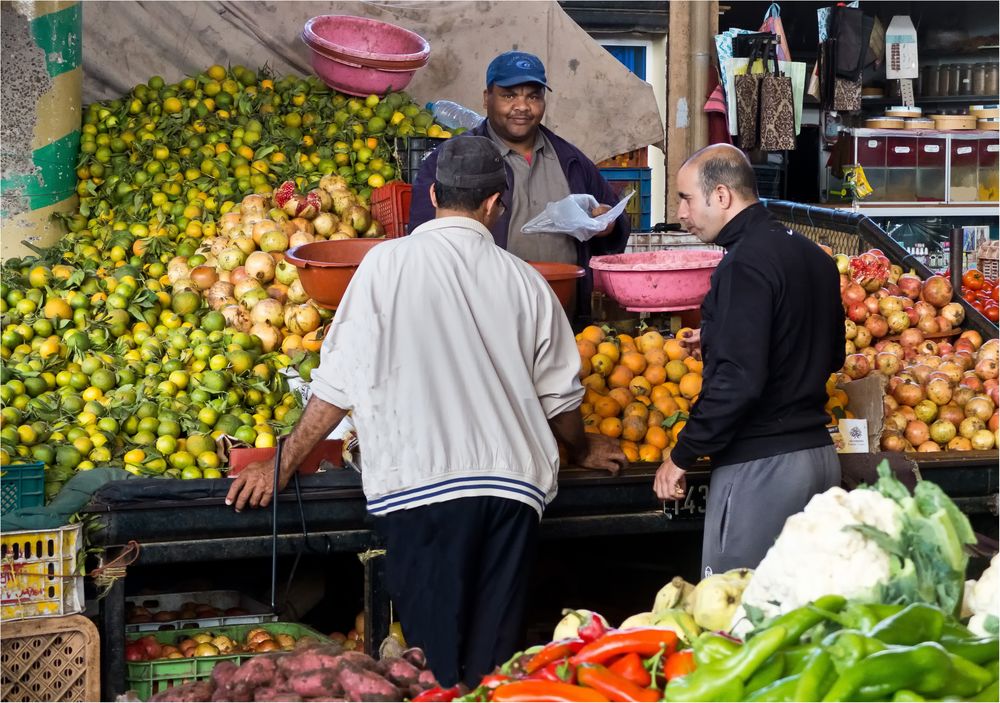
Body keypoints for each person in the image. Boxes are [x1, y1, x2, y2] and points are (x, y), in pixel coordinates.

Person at [227, 136, 626, 688]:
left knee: (433, 669)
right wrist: (583, 449)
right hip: (510, 494)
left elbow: (337, 385)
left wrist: (282, 462)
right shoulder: (528, 283)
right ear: (495, 203)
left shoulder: (382, 267)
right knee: (494, 667)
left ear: (434, 194)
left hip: (422, 492)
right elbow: (560, 399)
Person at [652, 144, 844, 576]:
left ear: (721, 196)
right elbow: (829, 355)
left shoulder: (743, 264)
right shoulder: (815, 257)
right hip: (818, 460)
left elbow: (739, 382)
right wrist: (722, 338)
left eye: (685, 198)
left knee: (740, 615)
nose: (681, 213)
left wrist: (681, 456)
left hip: (762, 470)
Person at [409, 50, 631, 321]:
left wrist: (606, 225)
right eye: (509, 95)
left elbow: (614, 224)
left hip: (562, 317)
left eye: (533, 96)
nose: (523, 106)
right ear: (486, 98)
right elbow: (424, 239)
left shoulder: (570, 159)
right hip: (484, 318)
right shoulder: (452, 159)